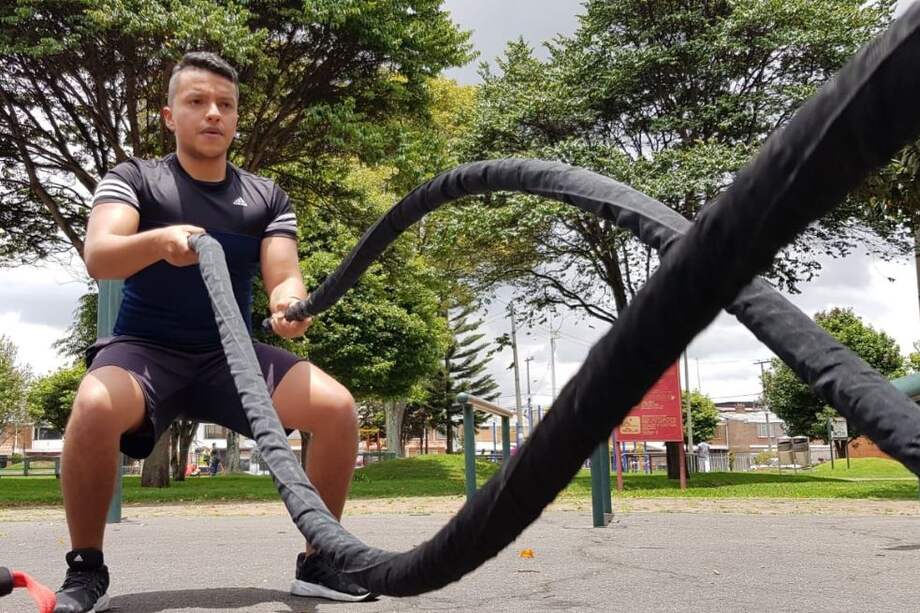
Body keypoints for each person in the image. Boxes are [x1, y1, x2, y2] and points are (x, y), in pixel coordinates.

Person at [53, 52, 371, 613]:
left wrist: (289, 307)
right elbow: (100, 256)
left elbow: (284, 275)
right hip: (145, 353)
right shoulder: (134, 179)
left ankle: (318, 563)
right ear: (169, 115)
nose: (213, 114)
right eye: (196, 102)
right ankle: (86, 570)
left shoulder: (266, 196)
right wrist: (160, 242)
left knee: (337, 407)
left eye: (225, 105)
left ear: (237, 119)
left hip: (231, 356)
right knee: (94, 405)